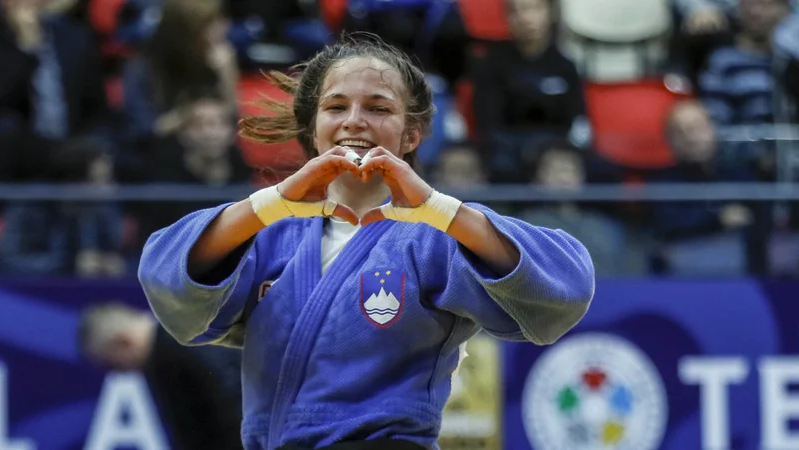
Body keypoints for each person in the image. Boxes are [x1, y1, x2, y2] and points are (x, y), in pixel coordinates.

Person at [137, 34, 595, 450]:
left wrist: (437, 208)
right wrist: (273, 202)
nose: (354, 121)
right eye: (336, 107)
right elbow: (165, 280)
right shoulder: (268, 232)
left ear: (410, 133)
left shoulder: (432, 234)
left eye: (378, 108)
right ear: (313, 128)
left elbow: (566, 287)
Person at [78, 302, 244, 450]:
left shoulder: (183, 342)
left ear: (123, 342)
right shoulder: (164, 356)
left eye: (112, 364)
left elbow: (235, 401)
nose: (118, 373)